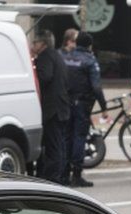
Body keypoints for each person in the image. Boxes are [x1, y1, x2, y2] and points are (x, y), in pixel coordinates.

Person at [63, 31, 107, 188]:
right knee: (79, 137)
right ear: (89, 45)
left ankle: (64, 173)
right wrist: (104, 107)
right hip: (82, 105)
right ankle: (76, 175)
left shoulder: (66, 58)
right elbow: (96, 86)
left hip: (66, 103)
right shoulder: (90, 60)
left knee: (67, 137)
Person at [30, 30, 70, 185]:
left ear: (43, 44)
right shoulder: (57, 56)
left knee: (53, 146)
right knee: (59, 144)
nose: (33, 45)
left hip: (52, 109)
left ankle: (53, 179)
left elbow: (45, 76)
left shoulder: (45, 57)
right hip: (61, 107)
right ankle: (60, 176)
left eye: (35, 42)